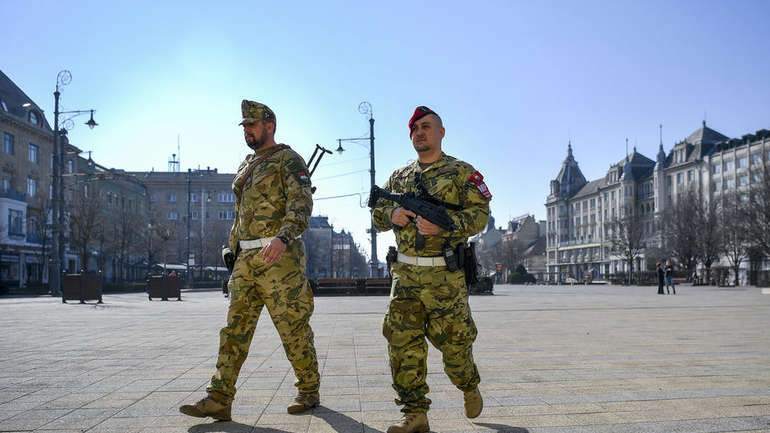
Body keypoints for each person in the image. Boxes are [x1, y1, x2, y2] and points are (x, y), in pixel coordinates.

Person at [179, 100, 320, 421]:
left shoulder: (288, 159)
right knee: (234, 330)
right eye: (244, 126)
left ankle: (309, 389)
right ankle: (219, 397)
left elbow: (301, 204)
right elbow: (242, 214)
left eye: (252, 125)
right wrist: (232, 250)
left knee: (293, 327)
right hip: (246, 260)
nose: (247, 131)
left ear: (269, 126)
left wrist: (284, 238)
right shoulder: (247, 164)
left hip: (279, 259)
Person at [372, 106, 490, 433]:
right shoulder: (398, 177)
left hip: (444, 280)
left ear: (441, 132)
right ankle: (415, 414)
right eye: (414, 129)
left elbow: (480, 216)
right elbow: (376, 212)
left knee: (455, 347)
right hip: (405, 279)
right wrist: (389, 216)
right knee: (402, 346)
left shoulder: (461, 172)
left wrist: (444, 227)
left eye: (426, 127)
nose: (420, 133)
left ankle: (468, 383)